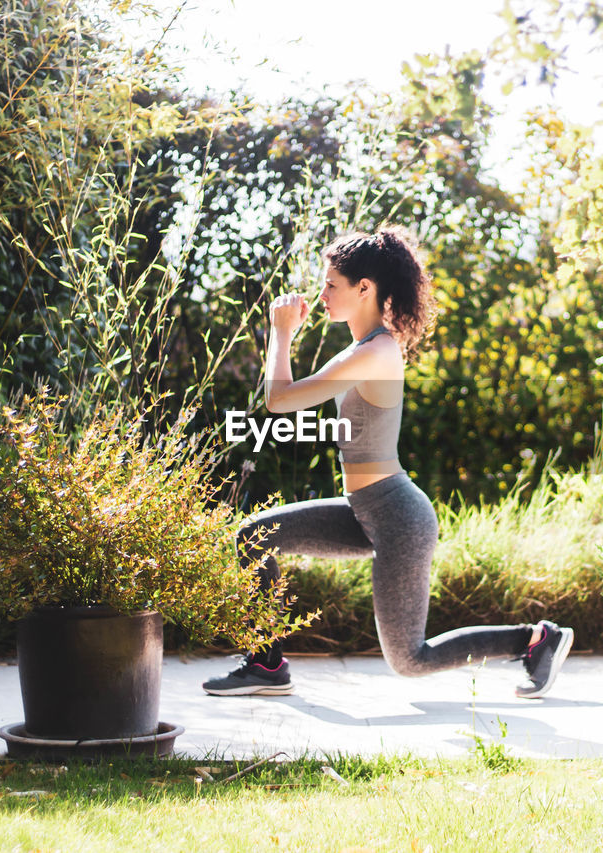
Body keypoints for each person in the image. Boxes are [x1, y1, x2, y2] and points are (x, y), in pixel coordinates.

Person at [202, 226, 573, 698]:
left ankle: (535, 640)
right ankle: (267, 664)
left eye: (331, 285)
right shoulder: (361, 349)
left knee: (409, 660)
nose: (322, 296)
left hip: (398, 517)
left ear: (364, 288)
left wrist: (281, 332)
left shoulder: (377, 351)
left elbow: (279, 400)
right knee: (255, 537)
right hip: (365, 510)